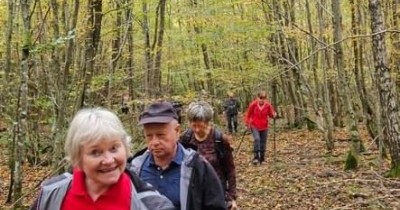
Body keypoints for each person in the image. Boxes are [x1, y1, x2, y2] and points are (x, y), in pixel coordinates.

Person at [30, 108, 175, 210]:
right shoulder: (51, 194)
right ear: (78, 157)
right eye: (95, 152)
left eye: (114, 148)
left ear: (125, 148)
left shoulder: (152, 204)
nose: (108, 160)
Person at [129, 101, 227, 210]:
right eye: (149, 136)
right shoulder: (135, 170)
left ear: (177, 131)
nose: (154, 142)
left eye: (161, 135)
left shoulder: (197, 167)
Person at [181, 101, 237, 210]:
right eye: (194, 125)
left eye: (200, 125)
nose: (196, 129)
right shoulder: (185, 138)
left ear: (207, 122)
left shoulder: (219, 139)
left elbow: (230, 169)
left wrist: (232, 197)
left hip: (216, 192)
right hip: (193, 193)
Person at [244, 91, 276, 165]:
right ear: (257, 97)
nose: (262, 99)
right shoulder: (253, 105)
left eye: (264, 98)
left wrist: (274, 115)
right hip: (254, 125)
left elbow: (271, 114)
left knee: (263, 141)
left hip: (264, 126)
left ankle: (262, 158)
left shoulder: (268, 105)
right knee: (257, 139)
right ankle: (256, 157)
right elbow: (248, 115)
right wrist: (246, 123)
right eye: (261, 98)